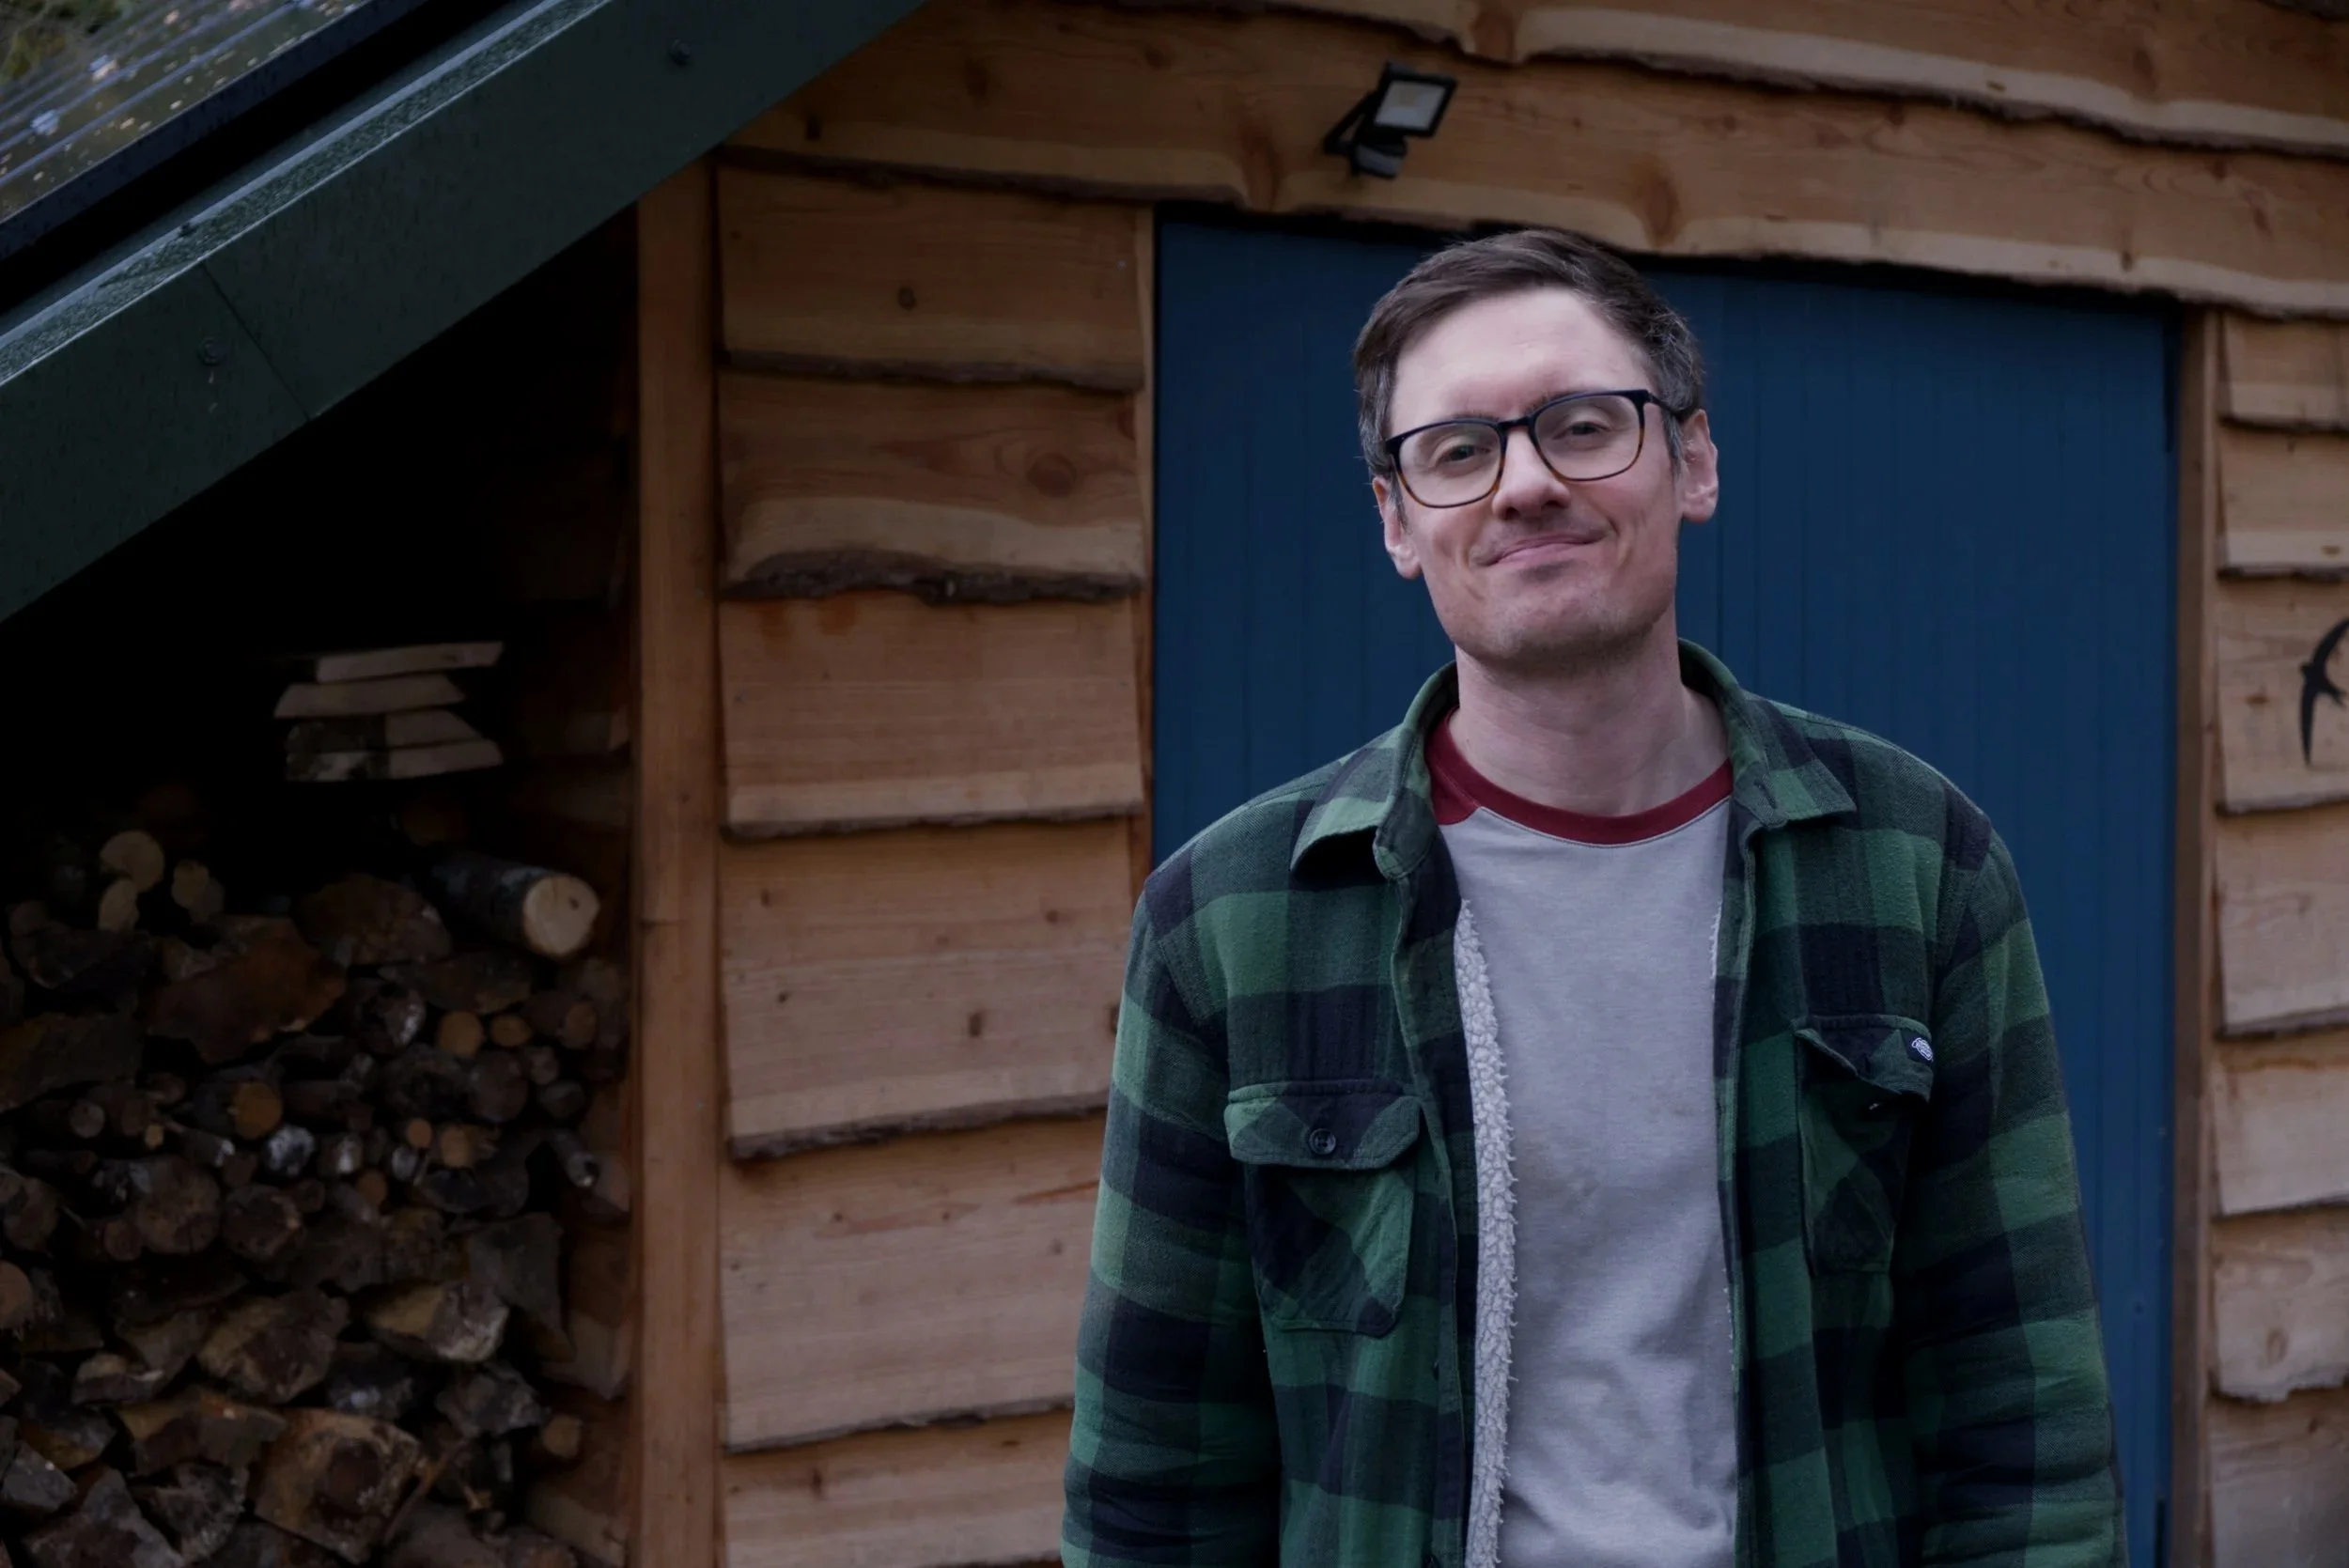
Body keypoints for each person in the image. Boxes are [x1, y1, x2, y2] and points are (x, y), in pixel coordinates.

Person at [1060, 228, 2122, 1568]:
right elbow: (1158, 1473)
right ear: (1397, 521)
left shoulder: (1917, 864)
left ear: (1696, 460)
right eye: (1458, 450)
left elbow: (2025, 1418)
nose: (1525, 485)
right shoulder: (1229, 918)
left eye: (1582, 425)